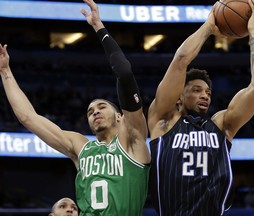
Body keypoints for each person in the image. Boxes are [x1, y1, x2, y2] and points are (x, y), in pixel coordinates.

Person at [0, 0, 151, 215]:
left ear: (120, 116)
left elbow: (125, 73)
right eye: (90, 111)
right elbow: (28, 118)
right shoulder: (81, 147)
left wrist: (99, 27)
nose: (95, 112)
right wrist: (5, 72)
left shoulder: (133, 140)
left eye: (101, 107)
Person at [147, 0, 254, 215]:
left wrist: (252, 32)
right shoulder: (163, 121)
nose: (204, 95)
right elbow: (181, 60)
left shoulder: (222, 125)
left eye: (208, 92)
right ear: (179, 97)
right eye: (196, 90)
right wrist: (208, 27)